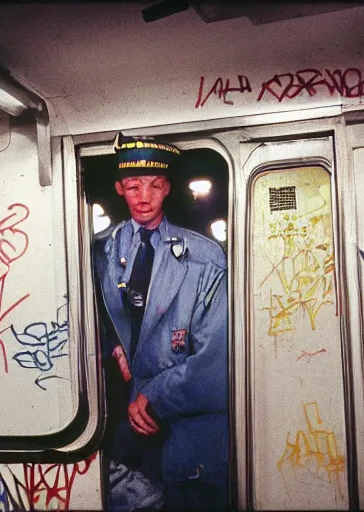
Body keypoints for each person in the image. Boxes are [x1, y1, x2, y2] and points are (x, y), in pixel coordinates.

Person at [94, 136, 229, 511]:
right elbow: (84, 318)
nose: (143, 196)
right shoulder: (99, 252)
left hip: (182, 424)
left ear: (166, 188)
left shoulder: (205, 256)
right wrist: (109, 349)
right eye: (134, 186)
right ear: (121, 188)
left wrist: (154, 398)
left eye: (154, 185)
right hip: (121, 420)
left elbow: (216, 364)